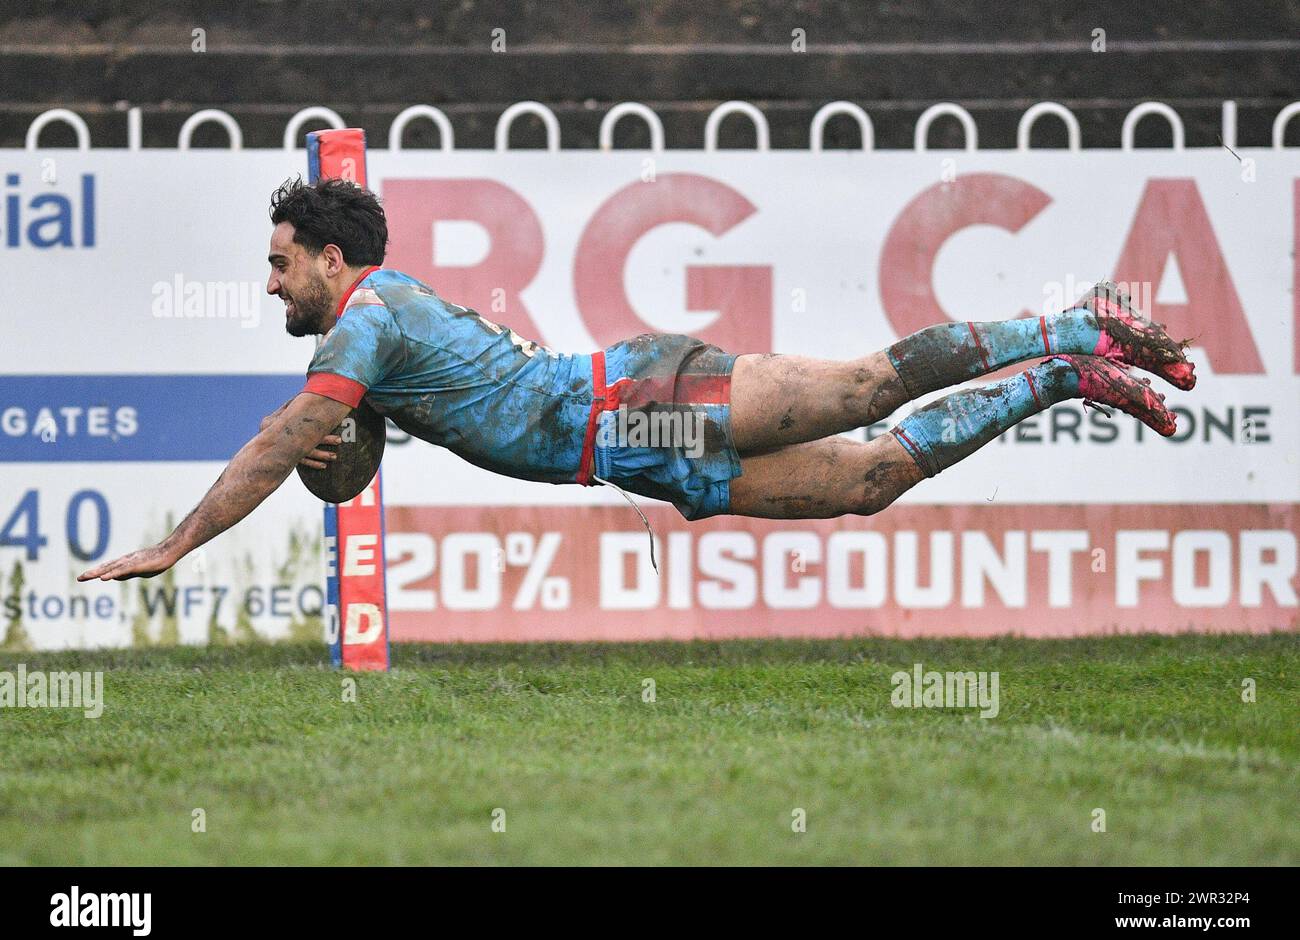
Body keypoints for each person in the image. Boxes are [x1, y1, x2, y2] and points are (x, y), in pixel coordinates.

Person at [79, 178, 1194, 582]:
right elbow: (336, 456)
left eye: (280, 262)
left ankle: (1071, 315)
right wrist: (349, 451)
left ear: (332, 259)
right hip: (633, 450)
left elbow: (284, 445)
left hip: (639, 399)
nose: (268, 282)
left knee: (862, 387)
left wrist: (175, 545)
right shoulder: (371, 336)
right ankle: (1068, 378)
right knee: (866, 483)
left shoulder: (363, 322)